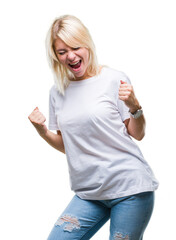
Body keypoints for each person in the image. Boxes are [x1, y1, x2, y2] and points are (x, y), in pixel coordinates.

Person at [28, 15, 159, 240]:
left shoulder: (113, 79)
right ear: (55, 56)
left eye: (76, 47)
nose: (71, 56)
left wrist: (135, 107)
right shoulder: (57, 92)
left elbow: (138, 134)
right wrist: (43, 132)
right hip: (89, 193)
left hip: (130, 188)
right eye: (62, 52)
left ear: (87, 44)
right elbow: (68, 146)